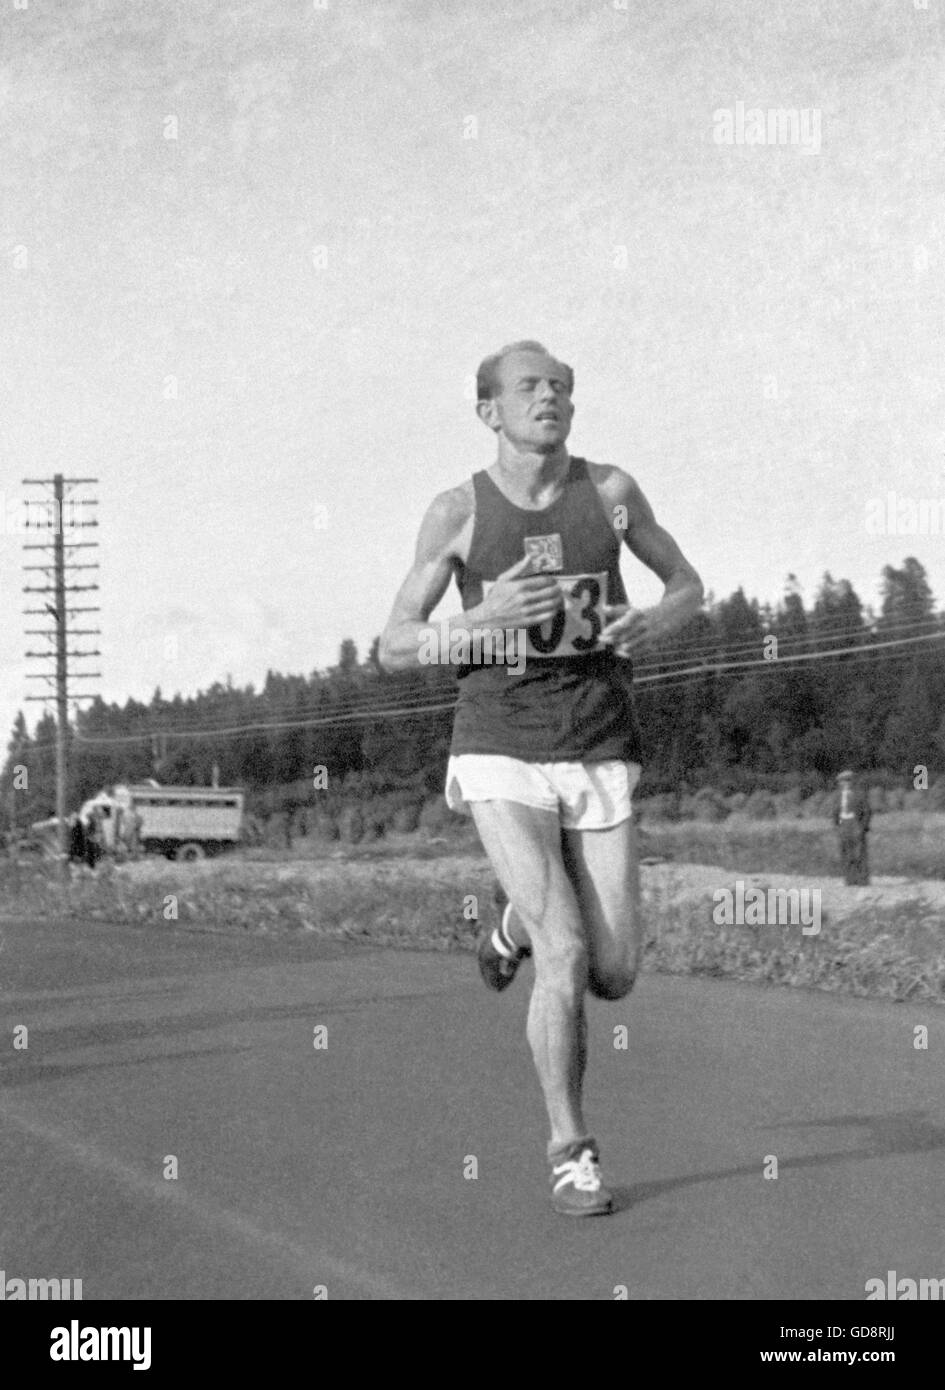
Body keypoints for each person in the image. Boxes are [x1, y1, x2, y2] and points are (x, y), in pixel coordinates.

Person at [379, 340, 703, 1216]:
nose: (550, 398)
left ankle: (514, 922)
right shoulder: (456, 511)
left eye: (560, 387)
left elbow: (687, 585)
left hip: (598, 740)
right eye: (529, 388)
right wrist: (480, 617)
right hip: (498, 743)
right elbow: (396, 642)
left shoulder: (611, 496)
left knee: (615, 971)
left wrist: (653, 623)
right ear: (489, 411)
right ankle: (571, 1151)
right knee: (564, 956)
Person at [833, 770, 871, 885]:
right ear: (839, 783)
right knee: (846, 851)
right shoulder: (838, 796)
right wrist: (838, 826)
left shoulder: (859, 794)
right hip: (844, 823)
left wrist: (863, 827)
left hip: (856, 823)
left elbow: (867, 811)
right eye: (843, 781)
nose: (846, 783)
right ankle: (849, 879)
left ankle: (862, 880)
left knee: (859, 852)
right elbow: (835, 812)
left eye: (848, 780)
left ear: (853, 782)